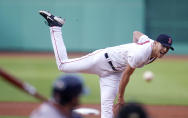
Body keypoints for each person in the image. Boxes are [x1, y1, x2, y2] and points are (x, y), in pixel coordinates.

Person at [39, 10, 174, 118]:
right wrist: (121, 97)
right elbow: (127, 74)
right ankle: (56, 26)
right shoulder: (141, 53)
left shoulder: (151, 46)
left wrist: (131, 48)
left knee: (107, 109)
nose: (165, 50)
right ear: (156, 43)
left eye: (168, 48)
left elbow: (136, 33)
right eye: (164, 46)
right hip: (102, 60)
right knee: (63, 65)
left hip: (114, 74)